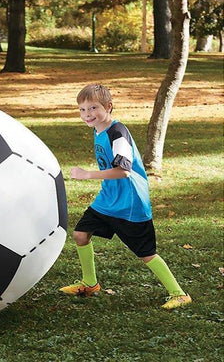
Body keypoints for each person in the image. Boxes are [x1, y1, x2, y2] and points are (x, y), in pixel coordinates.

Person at [60, 84, 192, 310]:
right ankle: (90, 284)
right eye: (82, 109)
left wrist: (87, 174)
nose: (87, 114)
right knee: (81, 234)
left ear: (108, 107)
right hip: (108, 199)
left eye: (93, 108)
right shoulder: (98, 129)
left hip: (130, 203)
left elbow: (123, 170)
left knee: (146, 253)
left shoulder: (117, 132)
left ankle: (179, 294)